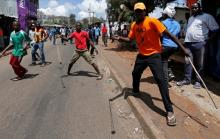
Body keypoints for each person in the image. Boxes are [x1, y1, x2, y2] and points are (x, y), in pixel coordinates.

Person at [113, 2, 189, 126]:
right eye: (136, 11)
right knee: (135, 73)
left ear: (145, 12)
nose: (138, 13)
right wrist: (120, 38)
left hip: (154, 55)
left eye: (140, 11)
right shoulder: (133, 25)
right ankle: (136, 91)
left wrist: (183, 49)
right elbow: (130, 39)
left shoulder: (153, 22)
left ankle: (169, 111)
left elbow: (169, 35)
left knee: (161, 81)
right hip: (142, 55)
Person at [176, 2, 219, 89]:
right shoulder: (191, 18)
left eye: (195, 8)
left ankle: (198, 81)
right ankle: (187, 79)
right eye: (192, 8)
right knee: (188, 62)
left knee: (200, 64)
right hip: (188, 44)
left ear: (200, 8)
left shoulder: (207, 16)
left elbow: (216, 29)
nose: (194, 9)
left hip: (200, 43)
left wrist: (208, 40)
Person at [161, 6, 181, 84]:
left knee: (163, 61)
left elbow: (161, 35)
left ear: (166, 15)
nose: (162, 15)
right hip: (175, 47)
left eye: (163, 14)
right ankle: (169, 72)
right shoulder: (178, 24)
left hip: (166, 46)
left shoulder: (163, 23)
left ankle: (166, 80)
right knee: (167, 59)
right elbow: (178, 36)